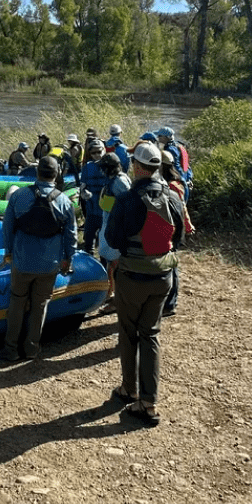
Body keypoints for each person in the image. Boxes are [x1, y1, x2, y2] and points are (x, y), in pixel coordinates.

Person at [106, 141, 185, 427]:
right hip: (162, 278)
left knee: (128, 333)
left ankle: (129, 389)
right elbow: (178, 241)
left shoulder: (127, 200)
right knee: (150, 335)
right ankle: (149, 402)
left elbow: (113, 240)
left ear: (137, 167)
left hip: (132, 277)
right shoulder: (173, 197)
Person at [0, 155, 77, 362]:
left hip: (22, 260)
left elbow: (7, 228)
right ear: (56, 174)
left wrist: (8, 252)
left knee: (16, 303)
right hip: (50, 263)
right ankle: (31, 348)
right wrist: (69, 258)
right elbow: (71, 235)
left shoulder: (19, 196)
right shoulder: (65, 201)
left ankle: (10, 348)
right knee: (40, 305)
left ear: (37, 172)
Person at [159, 149, 195, 316]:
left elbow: (181, 207)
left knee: (172, 267)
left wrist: (187, 226)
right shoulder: (174, 181)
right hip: (172, 228)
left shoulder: (172, 184)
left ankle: (170, 304)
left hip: (173, 230)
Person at [96, 153, 132, 314]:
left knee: (117, 265)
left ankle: (119, 300)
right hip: (108, 223)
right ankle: (110, 293)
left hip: (117, 227)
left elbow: (129, 205)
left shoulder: (120, 181)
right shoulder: (113, 180)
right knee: (110, 262)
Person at [79, 138, 107, 253]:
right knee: (88, 242)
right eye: (93, 153)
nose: (96, 155)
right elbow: (82, 185)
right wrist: (83, 193)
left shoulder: (110, 167)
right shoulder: (87, 167)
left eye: (99, 152)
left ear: (104, 150)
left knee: (104, 244)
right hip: (91, 210)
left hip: (105, 211)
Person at [157, 126, 193, 201]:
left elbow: (175, 166)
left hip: (181, 182)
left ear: (166, 137)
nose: (158, 137)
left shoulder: (170, 150)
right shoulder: (179, 145)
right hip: (187, 179)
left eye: (159, 136)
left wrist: (181, 180)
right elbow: (187, 165)